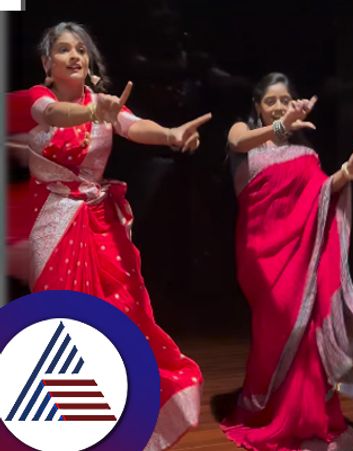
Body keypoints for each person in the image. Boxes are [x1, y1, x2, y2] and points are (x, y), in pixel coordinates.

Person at [8, 22, 211, 449]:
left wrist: (171, 135)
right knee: (62, 327)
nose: (75, 56)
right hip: (53, 223)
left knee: (122, 320)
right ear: (48, 64)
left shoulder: (101, 102)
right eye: (64, 50)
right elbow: (53, 116)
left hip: (102, 227)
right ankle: (59, 431)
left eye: (81, 49)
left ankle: (114, 425)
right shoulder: (37, 99)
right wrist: (91, 112)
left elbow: (135, 126)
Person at [220, 72, 353, 450]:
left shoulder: (307, 152)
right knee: (276, 326)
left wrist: (351, 169)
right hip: (261, 256)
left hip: (301, 254)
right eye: (270, 101)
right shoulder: (244, 135)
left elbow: (323, 193)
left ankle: (306, 417)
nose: (277, 106)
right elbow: (237, 140)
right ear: (258, 106)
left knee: (306, 335)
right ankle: (263, 409)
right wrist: (280, 125)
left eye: (284, 100)